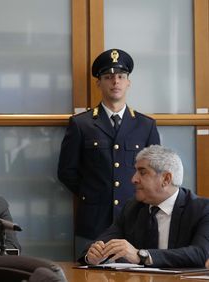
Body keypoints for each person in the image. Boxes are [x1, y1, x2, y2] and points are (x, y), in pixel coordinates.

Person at [57, 49, 160, 255]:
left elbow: (155, 173)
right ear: (99, 83)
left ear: (128, 82)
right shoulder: (81, 124)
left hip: (136, 219)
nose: (115, 82)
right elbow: (66, 171)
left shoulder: (145, 125)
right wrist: (93, 193)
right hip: (94, 221)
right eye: (109, 77)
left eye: (121, 77)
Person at [82, 145, 209, 268]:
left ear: (166, 179)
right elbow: (100, 243)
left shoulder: (202, 209)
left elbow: (201, 253)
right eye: (135, 172)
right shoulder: (132, 207)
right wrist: (94, 255)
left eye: (142, 173)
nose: (133, 179)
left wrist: (142, 256)